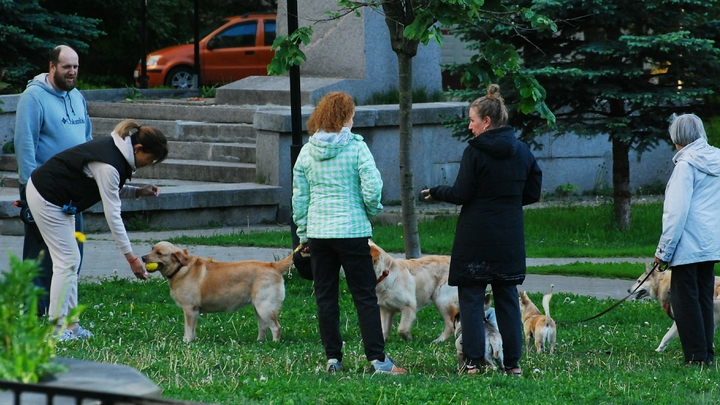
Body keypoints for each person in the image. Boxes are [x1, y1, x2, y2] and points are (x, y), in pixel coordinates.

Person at [421, 84, 542, 375]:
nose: (469, 125)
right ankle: (512, 364)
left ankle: (474, 362)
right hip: (509, 237)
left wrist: (436, 191)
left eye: (472, 120)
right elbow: (533, 192)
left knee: (472, 298)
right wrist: (509, 203)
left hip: (475, 236)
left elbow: (462, 193)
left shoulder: (474, 152)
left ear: (486, 122)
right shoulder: (523, 151)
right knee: (507, 299)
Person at [292, 92, 407, 375]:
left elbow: (299, 196)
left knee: (326, 298)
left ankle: (333, 359)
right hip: (353, 231)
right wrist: (371, 209)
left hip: (319, 234)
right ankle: (378, 360)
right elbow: (372, 185)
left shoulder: (307, 151)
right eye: (352, 115)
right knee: (365, 296)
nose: (353, 121)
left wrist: (303, 231)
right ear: (344, 117)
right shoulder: (356, 147)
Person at [25, 119, 169, 341]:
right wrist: (131, 259)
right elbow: (113, 216)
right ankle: (54, 331)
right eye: (150, 160)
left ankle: (71, 327)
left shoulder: (116, 154)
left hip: (62, 200)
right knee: (67, 262)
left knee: (71, 262)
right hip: (46, 196)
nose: (148, 164)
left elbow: (108, 187)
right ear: (138, 149)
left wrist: (137, 192)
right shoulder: (110, 163)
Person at [14, 45, 93, 317]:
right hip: (42, 189)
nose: (72, 72)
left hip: (72, 190)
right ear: (52, 66)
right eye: (66, 67)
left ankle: (63, 312)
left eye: (75, 67)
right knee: (39, 254)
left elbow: (87, 140)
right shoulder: (33, 97)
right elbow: (24, 144)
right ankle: (34, 311)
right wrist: (27, 189)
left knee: (73, 252)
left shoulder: (77, 97)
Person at [654, 113, 720, 367]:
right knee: (704, 297)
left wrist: (663, 251)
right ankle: (706, 353)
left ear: (676, 138)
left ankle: (695, 357)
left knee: (684, 301)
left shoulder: (685, 166)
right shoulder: (716, 158)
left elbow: (676, 212)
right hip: (711, 243)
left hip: (688, 244)